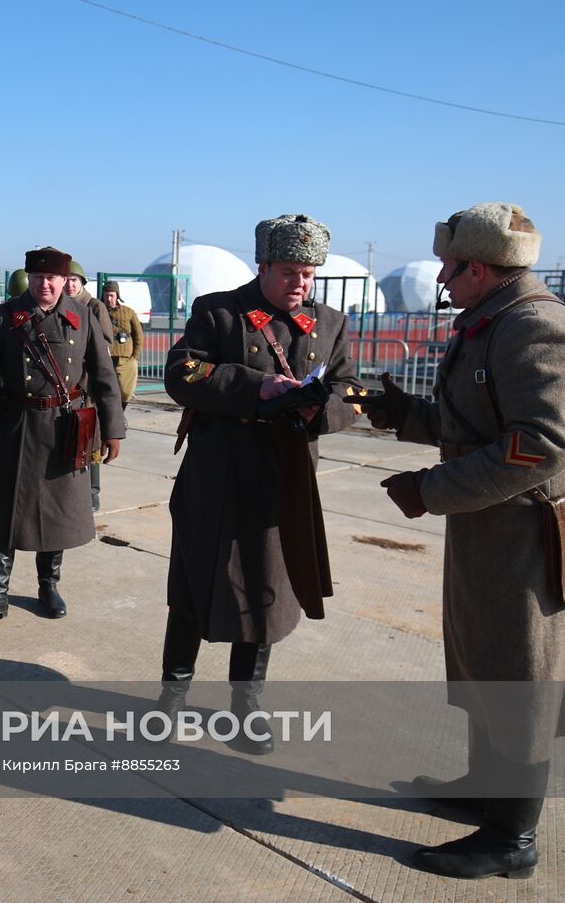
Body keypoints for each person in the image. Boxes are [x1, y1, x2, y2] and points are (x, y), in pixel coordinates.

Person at [352, 202, 565, 880]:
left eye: (449, 266)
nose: (441, 278)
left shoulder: (536, 325)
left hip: (532, 535)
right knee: (487, 660)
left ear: (479, 268)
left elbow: (541, 445)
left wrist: (430, 489)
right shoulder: (492, 319)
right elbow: (478, 419)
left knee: (524, 675)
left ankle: (513, 838)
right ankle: (487, 789)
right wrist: (405, 415)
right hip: (493, 528)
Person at [161, 214, 362, 754]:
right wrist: (256, 387)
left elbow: (353, 389)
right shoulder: (219, 311)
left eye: (310, 273)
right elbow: (182, 373)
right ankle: (172, 699)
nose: (301, 283)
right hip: (216, 476)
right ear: (264, 266)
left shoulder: (332, 323)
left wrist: (322, 410)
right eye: (291, 272)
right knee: (191, 587)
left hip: (282, 482)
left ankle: (245, 705)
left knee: (265, 593)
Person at [0, 246, 125, 620]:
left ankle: (48, 589)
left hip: (64, 430)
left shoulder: (82, 316)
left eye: (51, 278)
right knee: (4, 513)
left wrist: (113, 429)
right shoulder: (5, 317)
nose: (44, 285)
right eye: (37, 278)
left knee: (56, 515)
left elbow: (103, 377)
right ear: (28, 278)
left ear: (65, 280)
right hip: (14, 427)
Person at [65, 259, 112, 513]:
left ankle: (92, 493)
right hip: (67, 385)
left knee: (91, 438)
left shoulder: (94, 307)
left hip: (89, 385)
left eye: (75, 280)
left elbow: (105, 344)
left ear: (82, 283)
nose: (70, 285)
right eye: (68, 280)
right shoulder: (60, 306)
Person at [104, 280, 145, 406]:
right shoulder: (98, 310)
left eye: (111, 295)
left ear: (117, 296)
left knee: (125, 390)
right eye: (106, 295)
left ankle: (121, 414)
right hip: (106, 357)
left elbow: (138, 335)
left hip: (125, 358)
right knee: (107, 390)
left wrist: (135, 356)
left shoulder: (128, 312)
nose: (109, 299)